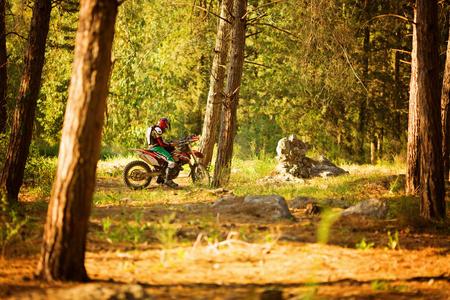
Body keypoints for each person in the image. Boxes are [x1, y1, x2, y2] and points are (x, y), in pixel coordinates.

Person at [146, 117, 179, 187]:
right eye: (166, 125)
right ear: (163, 124)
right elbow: (161, 143)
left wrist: (169, 144)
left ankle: (159, 178)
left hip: (152, 147)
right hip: (157, 148)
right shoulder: (158, 129)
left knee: (163, 162)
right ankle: (168, 180)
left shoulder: (153, 127)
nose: (167, 127)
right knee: (171, 160)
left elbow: (159, 141)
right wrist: (171, 144)